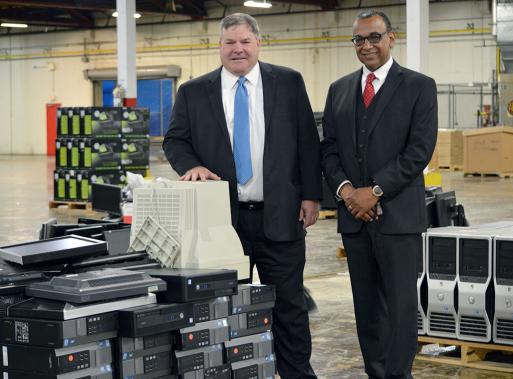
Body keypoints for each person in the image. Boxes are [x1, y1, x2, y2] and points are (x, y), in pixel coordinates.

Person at [163, 13, 321, 379]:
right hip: (220, 224)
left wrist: (312, 196)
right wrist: (192, 165)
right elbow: (175, 140)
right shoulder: (193, 91)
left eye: (245, 42)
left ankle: (297, 373)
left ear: (258, 44)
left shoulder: (288, 82)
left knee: (289, 307)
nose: (237, 49)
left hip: (280, 216)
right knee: (220, 308)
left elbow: (308, 144)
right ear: (218, 47)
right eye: (229, 42)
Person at [321, 10, 437, 379]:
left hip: (397, 216)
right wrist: (346, 192)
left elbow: (419, 151)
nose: (366, 45)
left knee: (401, 304)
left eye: (374, 37)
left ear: (392, 37)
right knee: (367, 305)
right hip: (354, 217)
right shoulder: (339, 89)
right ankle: (376, 372)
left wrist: (374, 191)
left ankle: (398, 374)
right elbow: (329, 149)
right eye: (359, 39)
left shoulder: (419, 86)